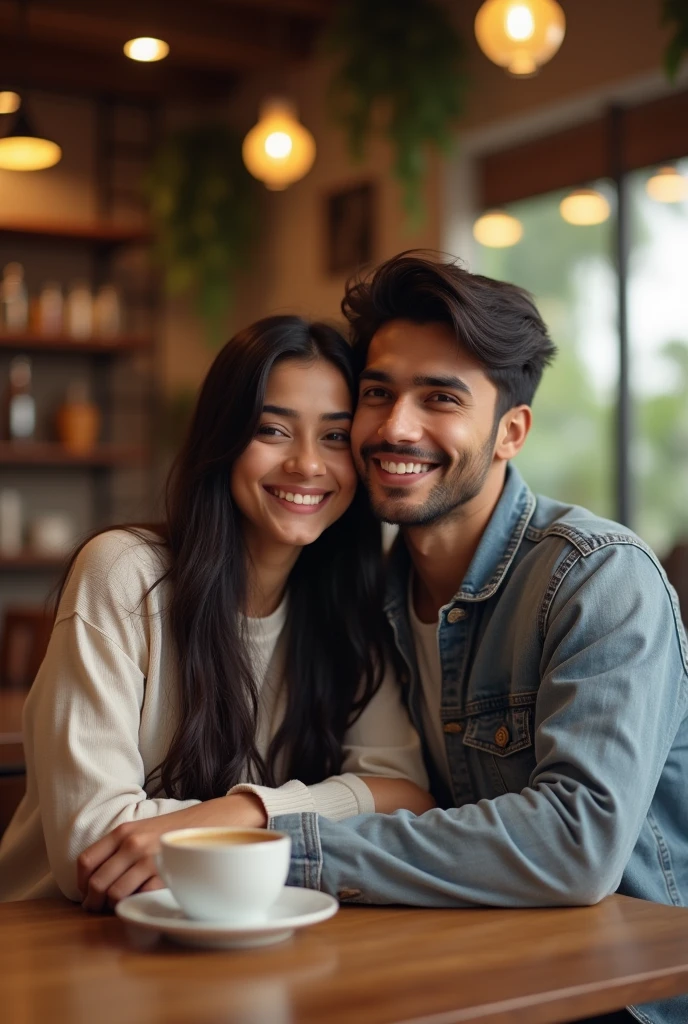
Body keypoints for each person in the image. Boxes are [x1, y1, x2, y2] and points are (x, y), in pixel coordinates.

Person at [264, 255, 688, 1024]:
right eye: (378, 393)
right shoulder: (365, 599)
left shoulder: (597, 579)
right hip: (467, 974)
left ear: (509, 432)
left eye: (440, 399)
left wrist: (284, 851)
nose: (396, 426)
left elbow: (575, 842)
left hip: (625, 1002)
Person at [0, 315, 432, 907]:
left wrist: (248, 809)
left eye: (334, 437)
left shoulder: (348, 605)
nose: (308, 465)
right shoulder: (125, 575)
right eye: (273, 430)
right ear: (222, 440)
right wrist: (315, 812)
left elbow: (406, 793)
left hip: (231, 926)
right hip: (56, 944)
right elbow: (94, 850)